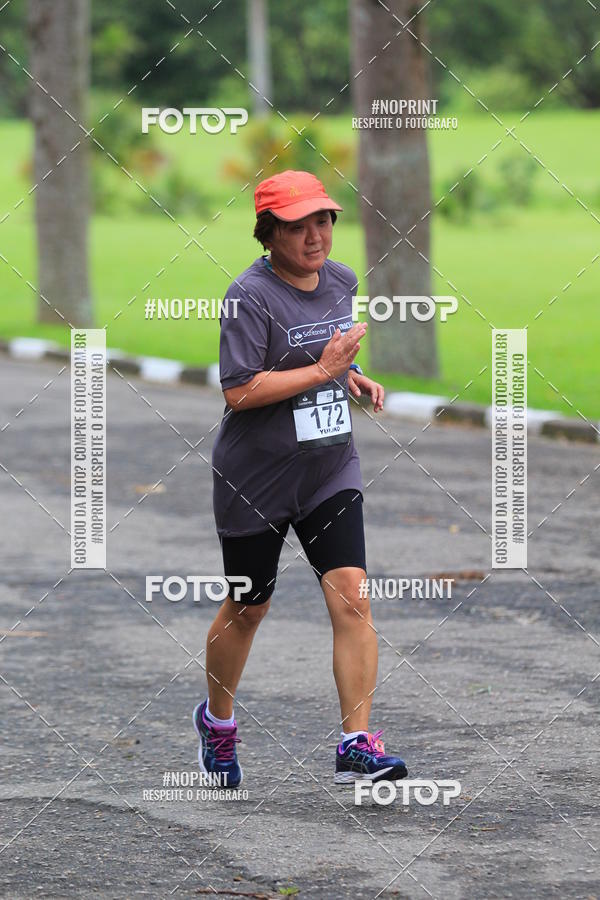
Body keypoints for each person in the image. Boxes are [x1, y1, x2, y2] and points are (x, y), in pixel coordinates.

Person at [193, 170, 407, 786]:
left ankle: (356, 742)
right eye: (297, 225)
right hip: (255, 477)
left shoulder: (341, 281)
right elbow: (240, 390)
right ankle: (218, 721)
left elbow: (326, 350)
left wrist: (351, 374)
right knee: (248, 606)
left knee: (352, 594)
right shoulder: (248, 296)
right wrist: (324, 371)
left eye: (323, 220)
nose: (315, 236)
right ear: (269, 232)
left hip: (327, 466)